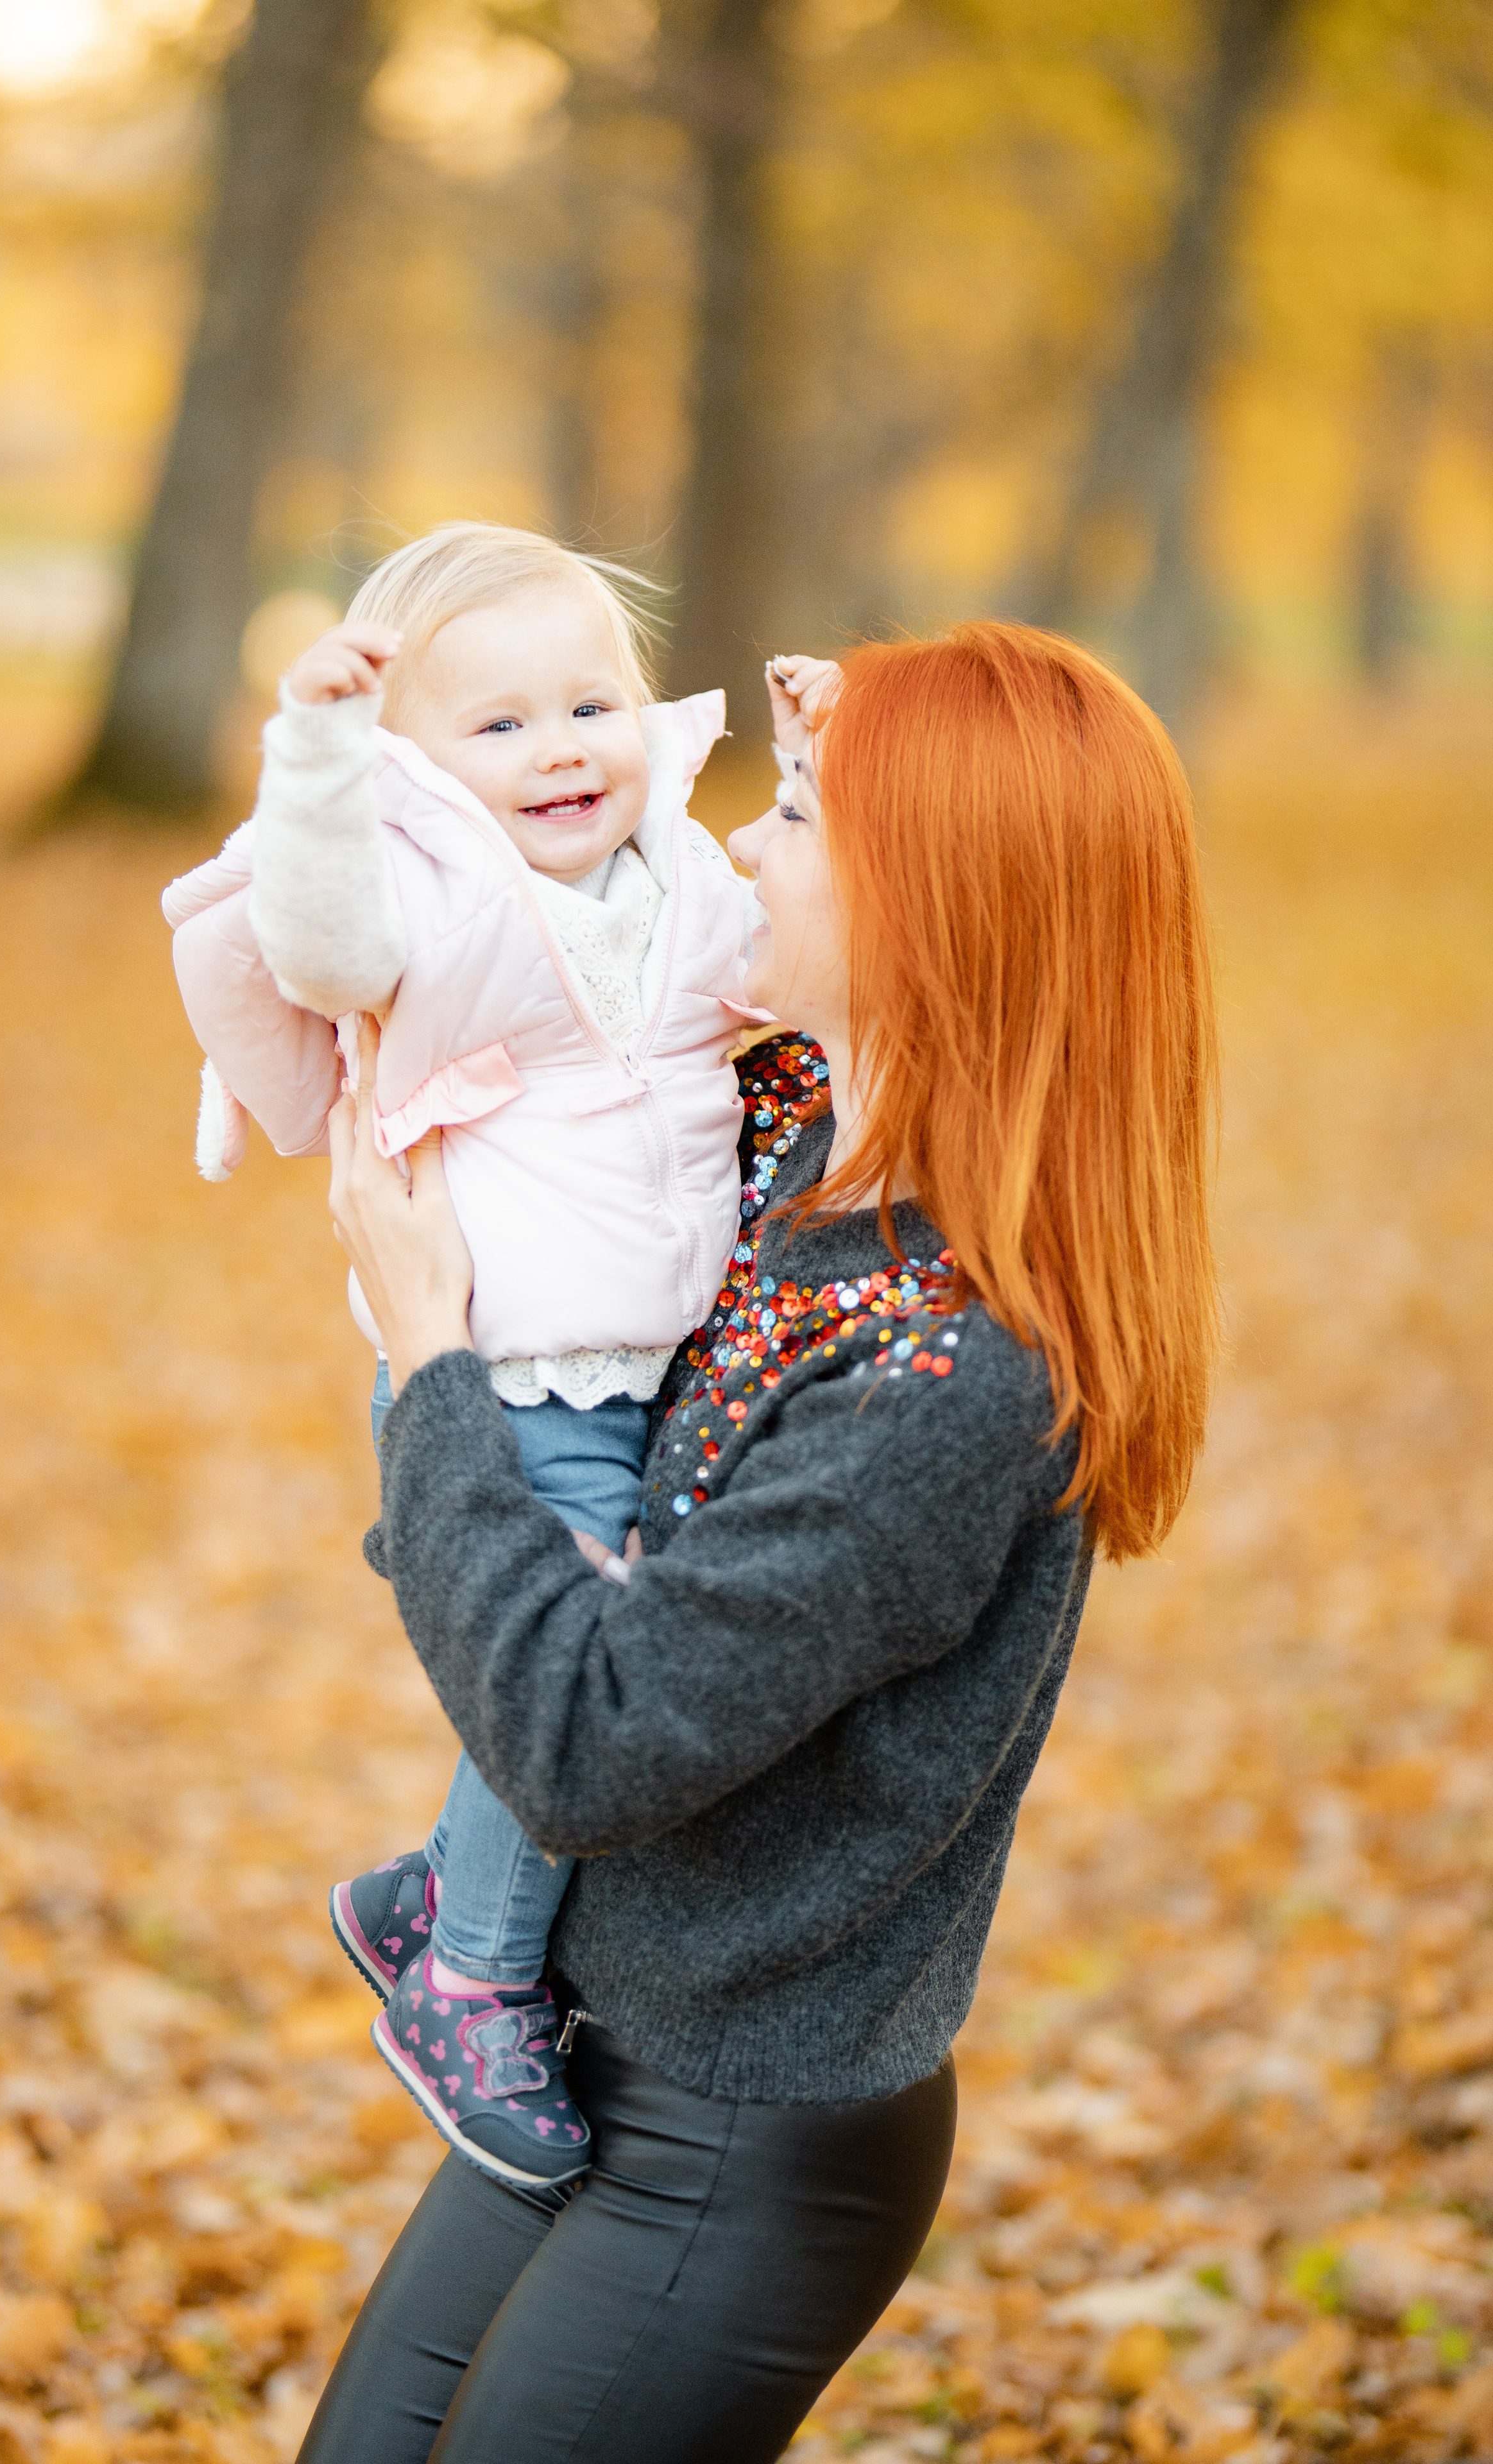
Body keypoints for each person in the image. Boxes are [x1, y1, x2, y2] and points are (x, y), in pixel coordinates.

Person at [302, 620, 1222, 2463]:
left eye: (794, 821)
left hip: (739, 2140)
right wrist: (852, 748)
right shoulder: (793, 1153)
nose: (738, 846)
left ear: (929, 904)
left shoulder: (950, 1373)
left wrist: (437, 1376)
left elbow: (588, 1740)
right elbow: (599, 967)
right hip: (576, 2054)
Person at [161, 524, 827, 2186]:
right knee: (588, 1656)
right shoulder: (426, 907)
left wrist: (822, 758)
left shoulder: (674, 880)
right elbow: (316, 938)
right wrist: (317, 754)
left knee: (623, 1642)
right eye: (502, 726)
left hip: (640, 1362)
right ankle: (469, 1978)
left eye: (590, 705)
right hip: (511, 1364)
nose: (562, 751)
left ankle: (426, 1894)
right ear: (422, 772)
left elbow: (800, 955)